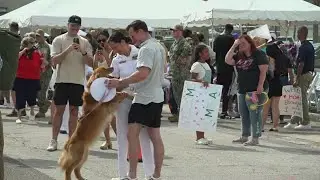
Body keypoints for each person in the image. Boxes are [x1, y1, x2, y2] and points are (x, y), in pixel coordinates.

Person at [107, 20, 164, 180]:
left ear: (140, 31)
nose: (133, 39)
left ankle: (132, 176)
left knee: (133, 136)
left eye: (132, 35)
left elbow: (142, 74)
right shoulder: (158, 46)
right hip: (154, 97)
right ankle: (155, 175)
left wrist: (121, 83)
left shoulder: (144, 49)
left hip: (142, 98)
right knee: (154, 137)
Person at [47, 15, 93, 151]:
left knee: (74, 112)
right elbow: (54, 61)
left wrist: (82, 51)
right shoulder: (58, 40)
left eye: (77, 26)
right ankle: (53, 140)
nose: (75, 28)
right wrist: (69, 49)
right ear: (68, 25)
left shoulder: (85, 42)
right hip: (62, 80)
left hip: (77, 82)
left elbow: (91, 63)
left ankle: (71, 142)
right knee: (58, 111)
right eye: (72, 25)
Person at [225, 35, 269, 146]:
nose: (241, 46)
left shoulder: (258, 54)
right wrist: (234, 45)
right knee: (243, 113)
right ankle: (245, 135)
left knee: (254, 114)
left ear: (250, 43)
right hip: (242, 89)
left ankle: (255, 137)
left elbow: (263, 71)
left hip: (254, 90)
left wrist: (260, 85)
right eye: (240, 44)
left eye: (243, 43)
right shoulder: (239, 55)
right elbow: (227, 60)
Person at [284, 26, 314, 130]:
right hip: (308, 74)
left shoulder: (303, 47)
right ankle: (294, 120)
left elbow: (301, 63)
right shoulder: (309, 45)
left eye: (298, 32)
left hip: (303, 75)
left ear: (302, 33)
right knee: (298, 98)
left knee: (301, 99)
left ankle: (306, 122)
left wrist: (297, 78)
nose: (297, 34)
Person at [14, 37, 45, 123]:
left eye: (32, 43)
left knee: (32, 97)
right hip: (20, 78)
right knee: (20, 97)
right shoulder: (20, 52)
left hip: (33, 78)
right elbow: (15, 59)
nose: (31, 45)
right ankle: (19, 117)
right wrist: (24, 51)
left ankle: (32, 112)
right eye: (29, 43)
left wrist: (43, 62)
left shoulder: (37, 52)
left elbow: (43, 65)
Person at [168, 24, 192, 122]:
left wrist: (175, 63)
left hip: (181, 74)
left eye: (175, 31)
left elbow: (183, 60)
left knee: (182, 95)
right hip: (175, 73)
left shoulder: (185, 44)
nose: (173, 32)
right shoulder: (175, 43)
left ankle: (184, 115)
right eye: (172, 31)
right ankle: (179, 114)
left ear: (180, 31)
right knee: (176, 95)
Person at [190, 44, 213, 145]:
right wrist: (201, 81)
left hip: (207, 92)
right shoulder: (196, 65)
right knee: (199, 115)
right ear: (200, 54)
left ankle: (202, 136)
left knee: (204, 115)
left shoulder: (206, 64)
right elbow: (191, 79)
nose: (208, 54)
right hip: (199, 93)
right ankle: (199, 137)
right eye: (206, 52)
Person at [213, 24, 235, 119]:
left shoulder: (217, 38)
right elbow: (234, 52)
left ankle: (214, 110)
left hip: (219, 67)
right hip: (228, 67)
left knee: (218, 90)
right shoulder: (231, 39)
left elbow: (214, 51)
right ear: (230, 30)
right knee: (226, 90)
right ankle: (224, 111)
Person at [0, 22, 22, 115]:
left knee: (13, 89)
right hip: (12, 69)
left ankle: (15, 107)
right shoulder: (15, 39)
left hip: (8, 69)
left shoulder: (9, 38)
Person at [35, 29, 53, 118]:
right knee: (37, 92)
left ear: (43, 36)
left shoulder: (44, 46)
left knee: (41, 91)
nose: (37, 37)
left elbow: (44, 60)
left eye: (38, 36)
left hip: (45, 71)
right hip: (39, 72)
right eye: (36, 36)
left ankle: (42, 111)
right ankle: (46, 104)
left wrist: (42, 70)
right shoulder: (37, 45)